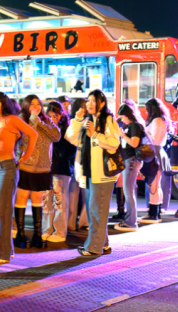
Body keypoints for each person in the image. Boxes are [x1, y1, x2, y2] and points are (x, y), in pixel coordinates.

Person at [0, 92, 37, 264]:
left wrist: (25, 157)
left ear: (3, 104)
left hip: (7, 168)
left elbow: (33, 134)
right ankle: (7, 249)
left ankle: (1, 254)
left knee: (1, 212)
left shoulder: (11, 119)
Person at [66, 89, 121, 257]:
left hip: (103, 173)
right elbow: (71, 137)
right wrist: (77, 119)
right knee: (95, 211)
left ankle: (93, 247)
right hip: (89, 173)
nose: (89, 104)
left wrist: (95, 134)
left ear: (102, 103)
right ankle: (102, 244)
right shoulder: (87, 120)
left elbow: (114, 142)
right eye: (87, 101)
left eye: (93, 101)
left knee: (97, 211)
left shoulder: (108, 120)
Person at [14, 94, 59, 248]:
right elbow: (20, 140)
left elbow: (56, 136)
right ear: (26, 105)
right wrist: (32, 123)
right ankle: (20, 235)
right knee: (21, 199)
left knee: (37, 201)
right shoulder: (20, 119)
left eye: (38, 104)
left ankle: (37, 235)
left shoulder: (45, 120)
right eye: (32, 104)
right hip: (26, 166)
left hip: (43, 168)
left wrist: (39, 123)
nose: (36, 107)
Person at [41, 101, 75, 243]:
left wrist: (56, 136)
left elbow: (69, 152)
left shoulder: (67, 129)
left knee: (59, 202)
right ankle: (47, 229)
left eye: (55, 115)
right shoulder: (45, 128)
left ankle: (60, 231)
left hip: (61, 168)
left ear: (61, 114)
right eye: (50, 116)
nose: (53, 119)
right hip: (46, 169)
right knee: (46, 201)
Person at [140, 97, 173, 224]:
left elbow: (154, 140)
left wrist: (144, 132)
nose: (147, 112)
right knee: (156, 185)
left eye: (148, 110)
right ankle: (156, 212)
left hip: (154, 153)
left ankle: (153, 214)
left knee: (153, 185)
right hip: (158, 152)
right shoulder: (161, 120)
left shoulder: (157, 121)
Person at [114, 100, 146, 231]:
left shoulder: (134, 126)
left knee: (128, 191)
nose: (122, 120)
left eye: (122, 117)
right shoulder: (131, 126)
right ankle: (130, 220)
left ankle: (131, 222)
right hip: (129, 160)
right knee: (129, 190)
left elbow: (134, 143)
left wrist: (123, 135)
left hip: (132, 160)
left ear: (127, 115)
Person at [67, 97, 89, 233]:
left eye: (86, 105)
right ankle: (70, 223)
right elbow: (71, 138)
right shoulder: (73, 120)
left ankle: (85, 221)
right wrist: (77, 120)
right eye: (82, 106)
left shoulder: (91, 119)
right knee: (72, 192)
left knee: (87, 192)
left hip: (84, 159)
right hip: (75, 160)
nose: (84, 108)